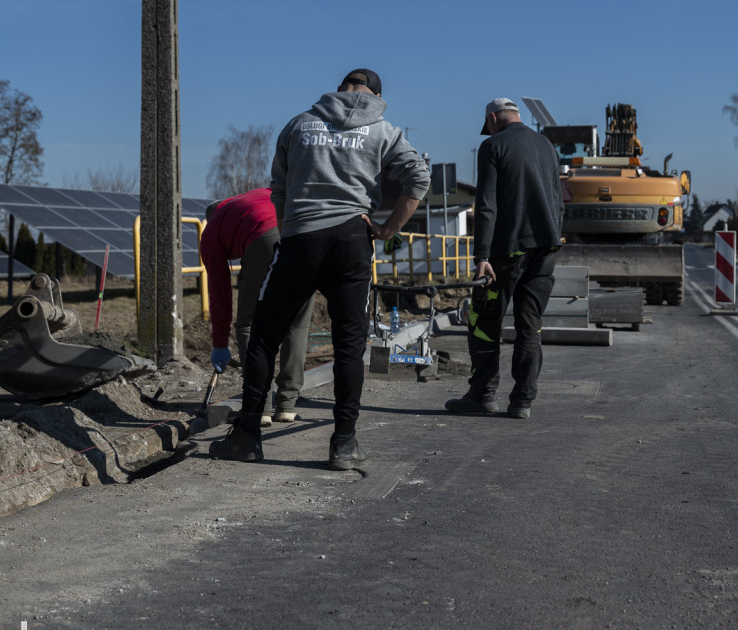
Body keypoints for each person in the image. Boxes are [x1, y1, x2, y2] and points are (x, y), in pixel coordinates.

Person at [209, 68, 430, 470]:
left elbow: (278, 188)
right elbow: (419, 177)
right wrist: (386, 230)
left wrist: (291, 229)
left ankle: (246, 436)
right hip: (353, 241)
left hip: (300, 240)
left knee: (264, 336)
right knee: (350, 346)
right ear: (377, 96)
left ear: (340, 88)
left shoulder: (299, 125)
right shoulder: (383, 130)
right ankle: (343, 444)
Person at [445, 98, 564, 419]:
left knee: (483, 321)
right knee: (530, 326)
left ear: (493, 119)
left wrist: (481, 255)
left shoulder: (493, 146)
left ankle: (482, 395)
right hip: (544, 250)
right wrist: (553, 239)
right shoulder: (546, 146)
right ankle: (522, 401)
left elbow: (486, 204)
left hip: (505, 253)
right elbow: (558, 200)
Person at [200, 187, 314, 426]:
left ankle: (259, 407)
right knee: (296, 322)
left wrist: (220, 343)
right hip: (304, 234)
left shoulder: (212, 229)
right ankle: (287, 406)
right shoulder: (256, 196)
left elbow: (219, 292)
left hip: (264, 239)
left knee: (249, 323)